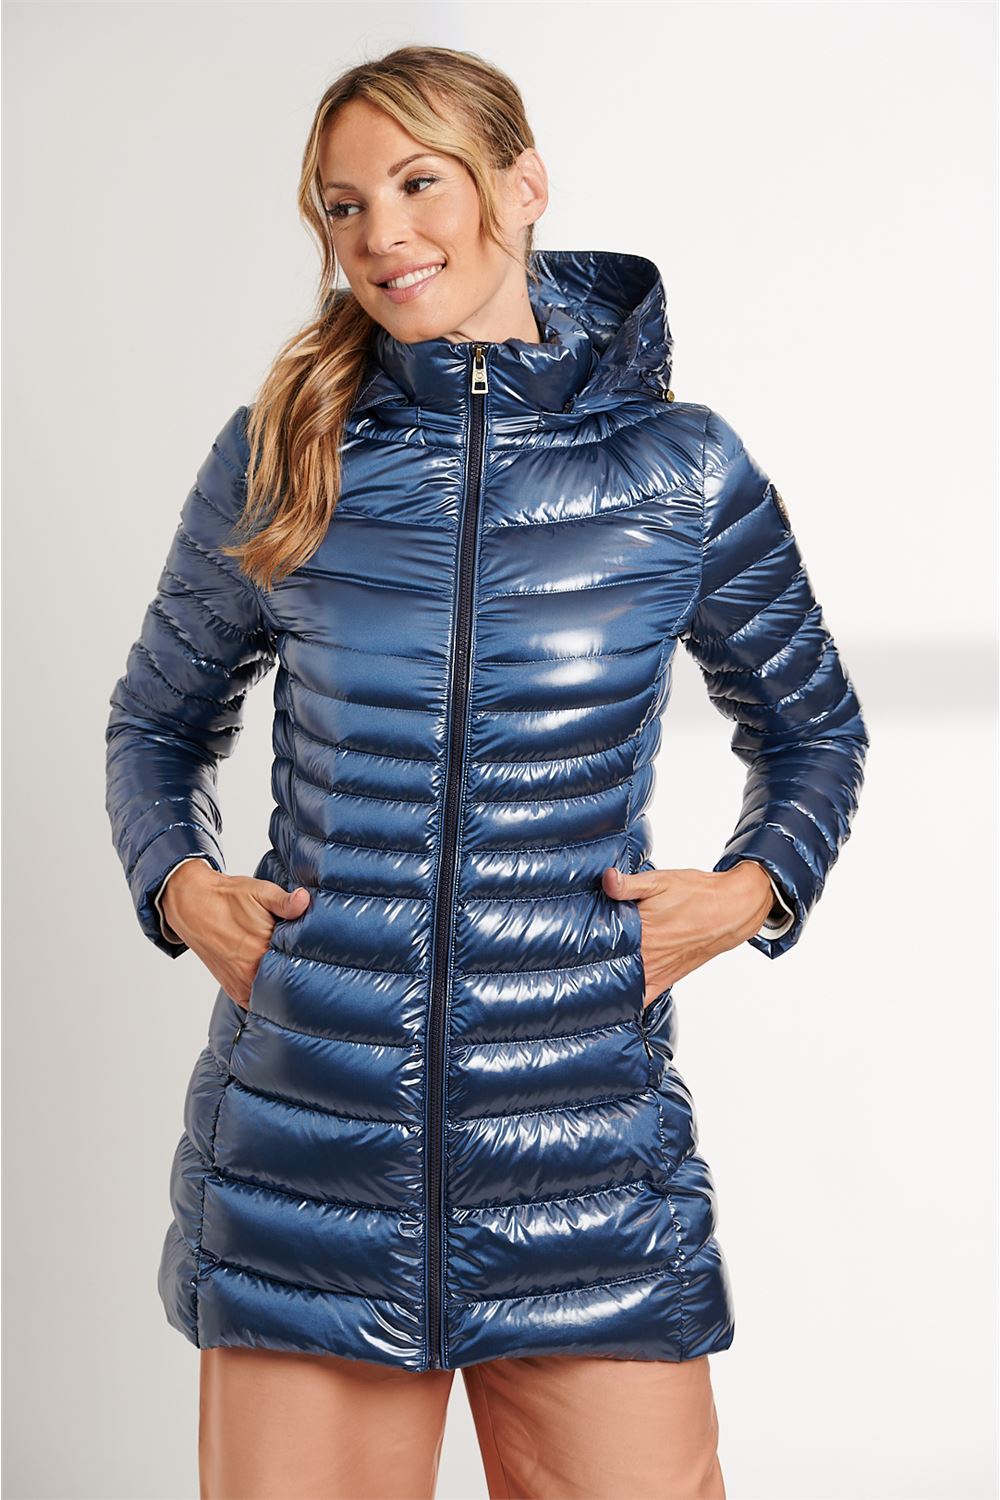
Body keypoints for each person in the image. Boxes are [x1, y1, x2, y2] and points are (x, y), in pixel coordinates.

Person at [104, 43, 869, 1500]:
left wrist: (753, 891)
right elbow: (154, 725)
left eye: (419, 184)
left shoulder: (680, 471)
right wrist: (180, 886)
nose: (381, 235)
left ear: (521, 186)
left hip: (584, 1153)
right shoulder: (285, 452)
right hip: (311, 1163)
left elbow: (815, 730)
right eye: (343, 207)